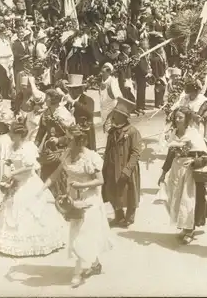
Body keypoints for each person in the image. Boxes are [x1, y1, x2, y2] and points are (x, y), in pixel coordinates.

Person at [0, 121, 65, 257]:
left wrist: (12, 174)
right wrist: (8, 168)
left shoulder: (28, 147)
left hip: (28, 182)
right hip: (17, 181)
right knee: (11, 209)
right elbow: (12, 161)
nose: (10, 136)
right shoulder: (12, 146)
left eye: (13, 134)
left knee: (31, 211)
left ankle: (37, 242)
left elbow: (29, 168)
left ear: (20, 135)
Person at [59, 125, 113, 288]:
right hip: (73, 199)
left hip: (89, 200)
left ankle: (78, 273)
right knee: (80, 234)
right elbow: (62, 173)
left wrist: (82, 186)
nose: (66, 141)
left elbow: (100, 181)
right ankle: (95, 265)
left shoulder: (91, 157)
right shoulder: (68, 154)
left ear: (79, 140)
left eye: (69, 139)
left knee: (80, 236)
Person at [157, 106, 207, 244]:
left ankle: (190, 229)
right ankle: (184, 227)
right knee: (176, 199)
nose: (177, 120)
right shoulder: (173, 133)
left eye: (180, 117)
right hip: (177, 170)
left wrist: (195, 161)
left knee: (188, 200)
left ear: (187, 119)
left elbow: (205, 155)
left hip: (190, 171)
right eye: (176, 117)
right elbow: (170, 155)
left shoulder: (193, 134)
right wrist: (163, 173)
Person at [102, 97, 142, 228]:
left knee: (129, 191)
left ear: (123, 117)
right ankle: (118, 214)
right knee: (113, 190)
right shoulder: (112, 132)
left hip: (125, 166)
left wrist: (128, 169)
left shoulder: (132, 132)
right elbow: (108, 150)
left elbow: (136, 153)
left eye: (116, 115)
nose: (113, 117)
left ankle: (130, 216)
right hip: (113, 166)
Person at [65, 74, 96, 150]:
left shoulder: (88, 100)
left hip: (85, 137)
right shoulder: (66, 103)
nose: (71, 91)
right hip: (71, 138)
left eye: (74, 88)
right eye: (70, 88)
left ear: (80, 89)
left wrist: (74, 103)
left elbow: (89, 112)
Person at [98, 63, 122, 133]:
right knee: (106, 131)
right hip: (103, 111)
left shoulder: (113, 81)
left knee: (110, 130)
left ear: (109, 71)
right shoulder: (101, 81)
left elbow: (118, 97)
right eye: (103, 68)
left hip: (111, 110)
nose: (103, 71)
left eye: (106, 69)